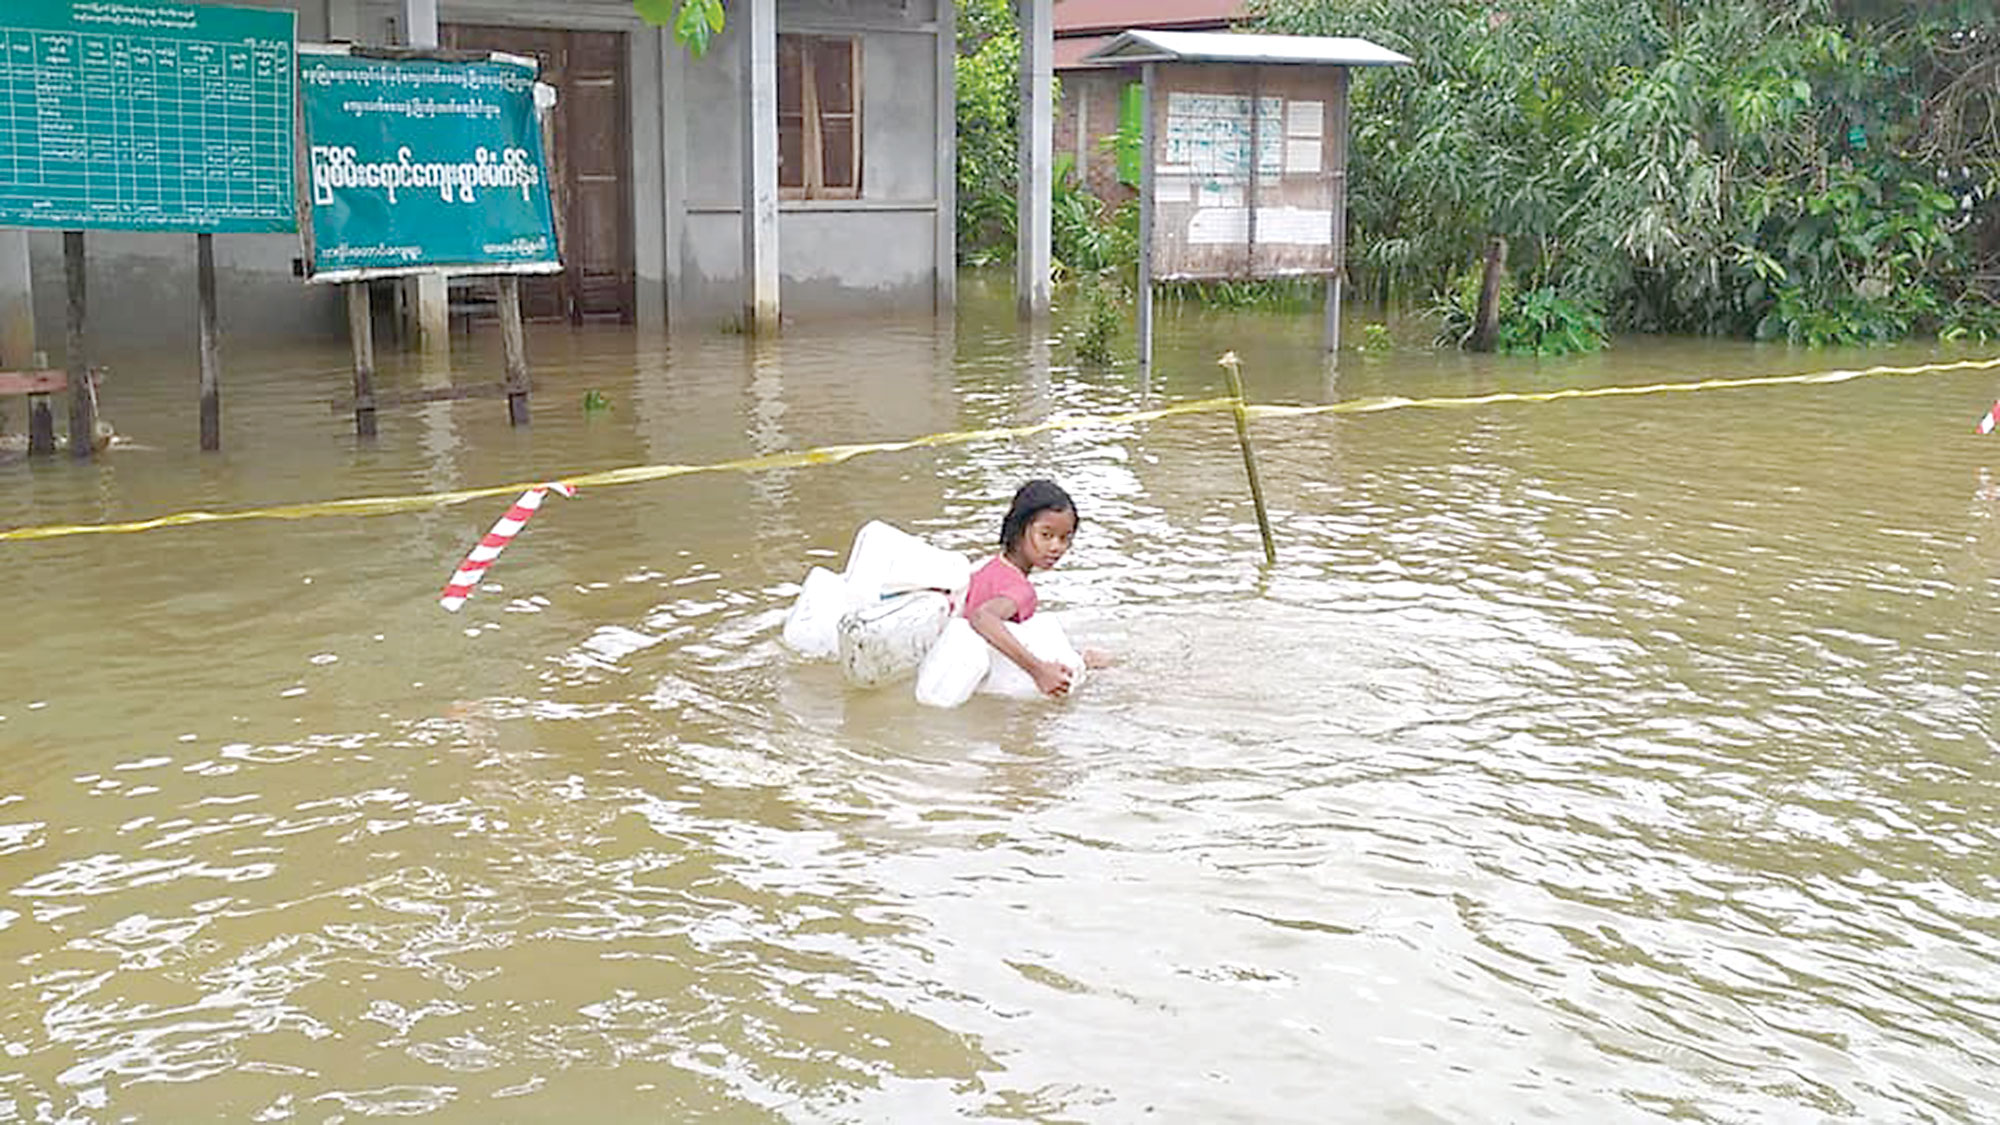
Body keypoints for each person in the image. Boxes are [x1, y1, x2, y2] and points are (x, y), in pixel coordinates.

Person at [962, 479, 1111, 697]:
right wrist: (1039, 671)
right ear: (1019, 528)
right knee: (1107, 666)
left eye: (1065, 538)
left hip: (966, 673)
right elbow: (982, 617)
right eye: (1046, 535)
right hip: (984, 683)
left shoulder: (985, 567)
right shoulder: (1021, 590)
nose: (1056, 547)